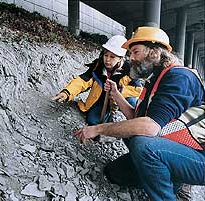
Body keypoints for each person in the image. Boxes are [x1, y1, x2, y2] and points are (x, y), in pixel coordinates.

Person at [74, 26, 205, 200]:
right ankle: (173, 178)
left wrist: (98, 129)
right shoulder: (155, 80)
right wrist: (116, 94)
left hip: (199, 157)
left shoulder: (180, 77)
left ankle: (170, 191)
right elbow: (137, 119)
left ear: (155, 52)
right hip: (178, 147)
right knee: (115, 173)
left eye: (135, 52)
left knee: (143, 144)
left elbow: (149, 127)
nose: (131, 58)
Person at [52, 35, 142, 129]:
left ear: (121, 58)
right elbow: (83, 81)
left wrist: (118, 92)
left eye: (112, 57)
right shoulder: (98, 67)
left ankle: (136, 126)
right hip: (101, 98)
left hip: (121, 100)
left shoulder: (130, 71)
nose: (107, 59)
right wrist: (67, 92)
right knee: (92, 120)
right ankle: (107, 122)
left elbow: (138, 90)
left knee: (132, 102)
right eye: (106, 55)